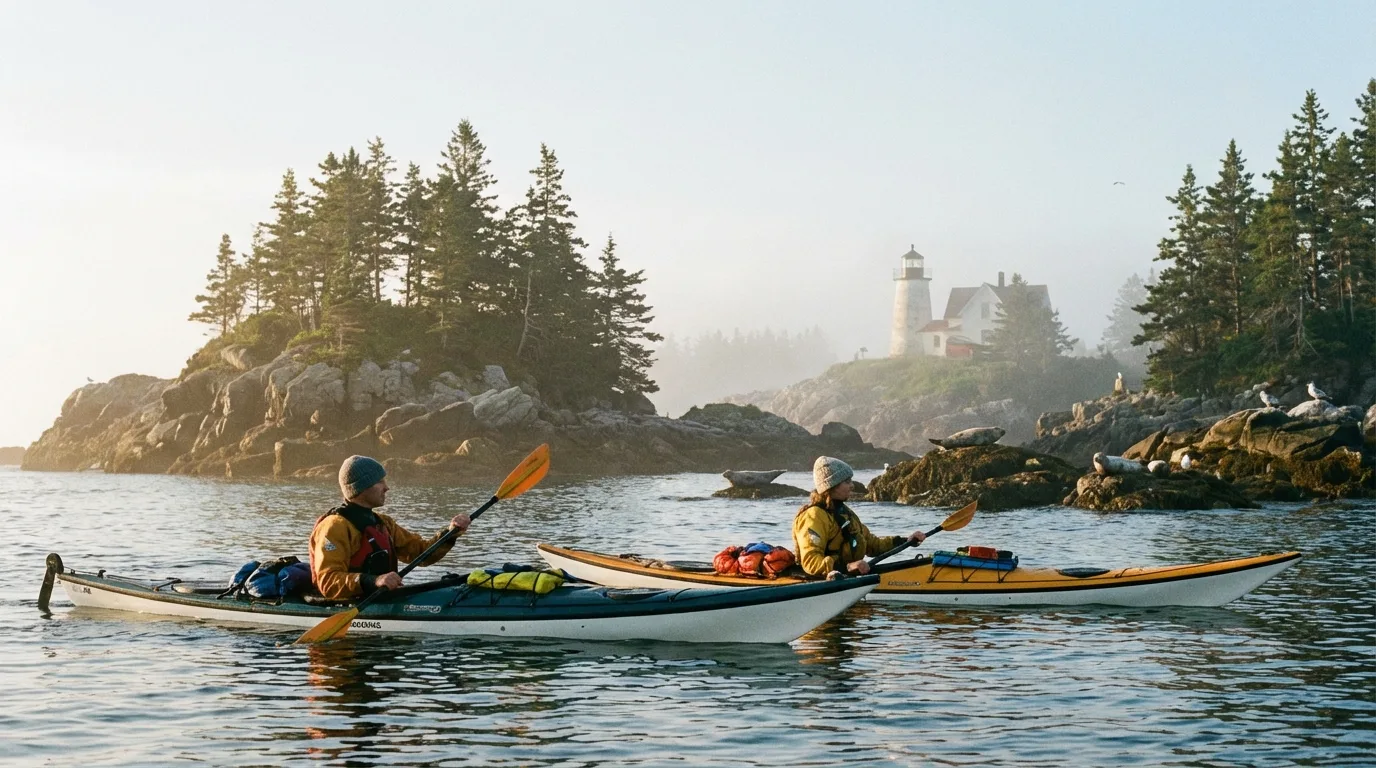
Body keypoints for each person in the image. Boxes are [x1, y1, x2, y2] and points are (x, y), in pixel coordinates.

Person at [309, 455, 471, 600]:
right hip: (349, 604)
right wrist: (375, 580)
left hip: (382, 599)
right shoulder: (334, 527)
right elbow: (328, 582)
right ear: (361, 487)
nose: (386, 487)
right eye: (379, 481)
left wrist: (450, 533)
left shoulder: (383, 523)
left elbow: (420, 553)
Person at [792, 456, 925, 577]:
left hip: (848, 575)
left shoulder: (845, 513)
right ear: (831, 486)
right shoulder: (814, 516)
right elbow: (810, 561)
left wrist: (905, 541)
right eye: (847, 481)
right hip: (824, 580)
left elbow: (873, 545)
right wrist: (848, 567)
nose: (852, 485)